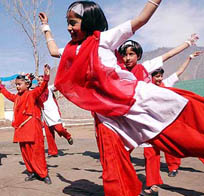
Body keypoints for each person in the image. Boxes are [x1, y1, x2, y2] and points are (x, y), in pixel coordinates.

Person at [40, 1, 204, 196]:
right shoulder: (72, 50)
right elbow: (52, 51)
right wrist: (46, 27)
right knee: (112, 162)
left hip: (135, 100)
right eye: (67, 23)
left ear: (89, 21)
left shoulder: (103, 40)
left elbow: (140, 20)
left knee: (188, 128)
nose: (69, 28)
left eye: (73, 23)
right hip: (108, 115)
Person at [117, 39, 201, 195]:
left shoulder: (145, 67)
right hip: (132, 120)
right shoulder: (119, 73)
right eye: (124, 55)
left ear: (138, 55)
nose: (128, 58)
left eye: (131, 54)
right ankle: (128, 184)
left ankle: (153, 185)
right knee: (122, 152)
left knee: (159, 150)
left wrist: (187, 44)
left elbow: (168, 55)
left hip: (154, 119)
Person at [0, 65, 52, 184]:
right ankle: (31, 171)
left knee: (37, 151)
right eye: (16, 85)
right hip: (21, 128)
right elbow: (8, 95)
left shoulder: (32, 94)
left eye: (19, 84)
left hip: (33, 128)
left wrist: (46, 77)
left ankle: (43, 174)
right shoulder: (17, 97)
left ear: (27, 84)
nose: (17, 87)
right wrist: (1, 87)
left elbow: (42, 88)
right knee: (25, 151)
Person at [37, 71, 73, 158]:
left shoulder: (49, 88)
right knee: (49, 134)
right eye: (38, 80)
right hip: (46, 116)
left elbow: (58, 85)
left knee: (59, 129)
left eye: (41, 80)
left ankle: (68, 136)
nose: (40, 82)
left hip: (54, 113)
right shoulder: (37, 91)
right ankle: (52, 151)